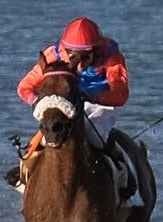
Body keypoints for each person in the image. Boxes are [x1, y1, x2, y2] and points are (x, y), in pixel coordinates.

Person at [12, 16, 139, 204]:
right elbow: (25, 87)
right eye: (72, 56)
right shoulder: (52, 56)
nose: (78, 64)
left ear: (96, 50)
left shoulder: (112, 57)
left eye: (85, 57)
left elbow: (120, 94)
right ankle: (25, 176)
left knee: (92, 134)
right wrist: (38, 103)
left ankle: (123, 172)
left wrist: (90, 96)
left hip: (101, 103)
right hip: (67, 103)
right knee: (48, 133)